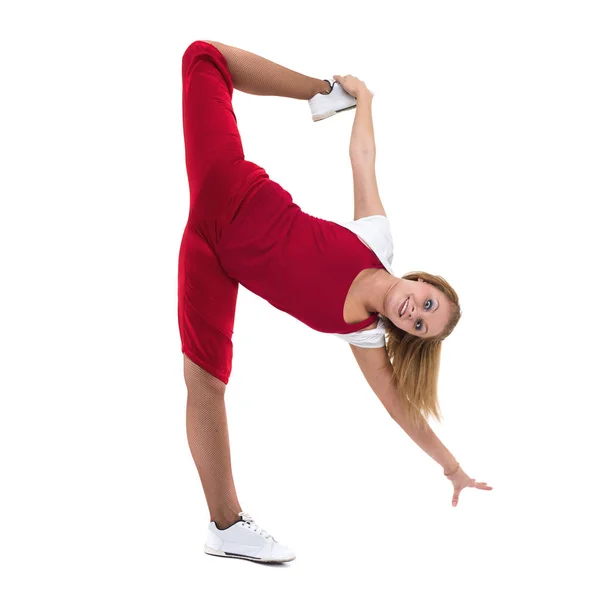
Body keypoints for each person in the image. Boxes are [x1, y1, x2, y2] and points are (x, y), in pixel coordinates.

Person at [178, 40, 492, 564]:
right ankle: (320, 92)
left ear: (404, 332)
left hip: (209, 255)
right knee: (203, 56)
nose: (415, 312)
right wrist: (359, 98)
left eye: (418, 326)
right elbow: (363, 159)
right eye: (427, 304)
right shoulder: (376, 243)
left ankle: (226, 525)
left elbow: (402, 412)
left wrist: (452, 467)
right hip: (232, 185)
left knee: (205, 382)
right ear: (422, 281)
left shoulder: (363, 333)